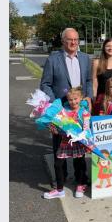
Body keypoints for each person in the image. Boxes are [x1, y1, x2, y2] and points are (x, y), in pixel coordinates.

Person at [39, 27, 94, 186]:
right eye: (70, 39)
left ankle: (81, 179)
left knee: (80, 147)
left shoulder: (84, 58)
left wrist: (89, 96)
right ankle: (61, 182)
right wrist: (55, 105)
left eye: (76, 39)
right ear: (63, 41)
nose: (73, 42)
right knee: (59, 150)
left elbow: (89, 81)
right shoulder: (53, 59)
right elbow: (45, 84)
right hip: (61, 112)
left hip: (79, 110)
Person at [42, 88, 91, 199]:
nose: (73, 102)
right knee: (58, 164)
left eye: (75, 99)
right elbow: (58, 125)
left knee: (80, 163)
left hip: (79, 142)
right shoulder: (63, 110)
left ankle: (80, 185)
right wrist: (54, 129)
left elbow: (87, 129)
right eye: (70, 100)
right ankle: (59, 190)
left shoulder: (84, 112)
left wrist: (82, 136)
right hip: (64, 141)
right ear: (67, 100)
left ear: (81, 98)